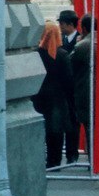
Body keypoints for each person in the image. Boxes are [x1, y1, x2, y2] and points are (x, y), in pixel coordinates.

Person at [34, 21, 77, 168]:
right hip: (58, 98)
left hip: (38, 97)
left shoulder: (36, 54)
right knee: (56, 130)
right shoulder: (62, 55)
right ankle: (55, 160)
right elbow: (68, 80)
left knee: (41, 130)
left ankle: (42, 158)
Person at [70, 15, 94, 153]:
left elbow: (69, 66)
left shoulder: (82, 46)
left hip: (86, 92)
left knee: (90, 126)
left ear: (83, 28)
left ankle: (93, 159)